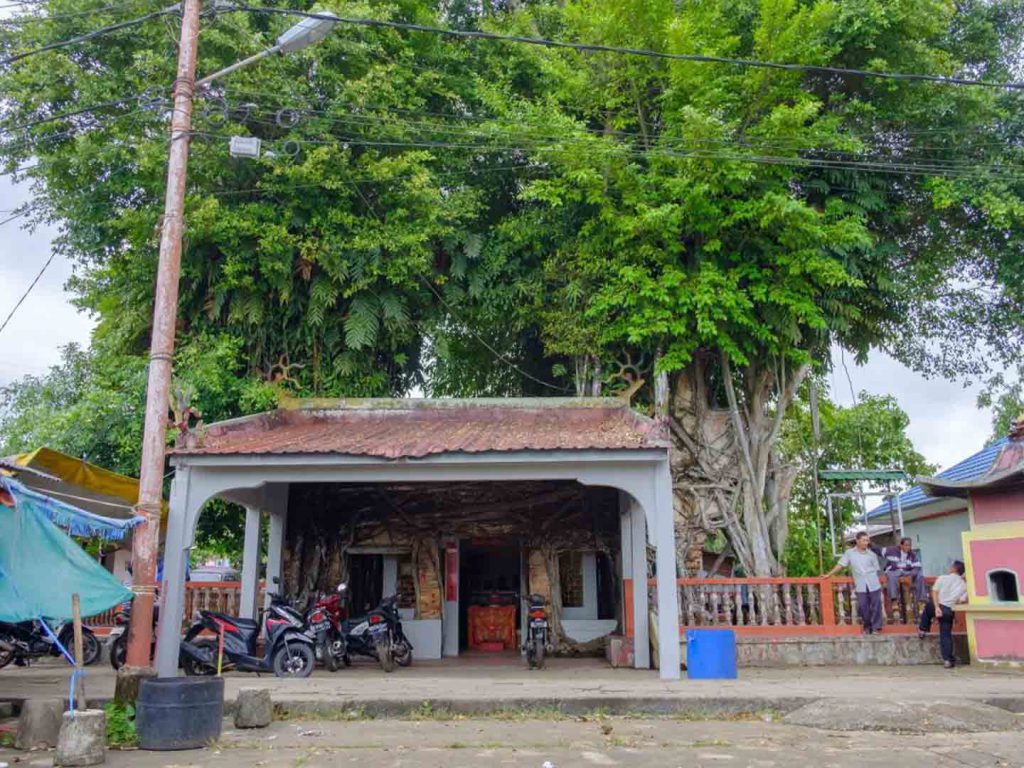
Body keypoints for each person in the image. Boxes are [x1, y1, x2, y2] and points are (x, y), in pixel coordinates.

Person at [824, 531, 884, 634]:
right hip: (860, 584)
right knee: (863, 606)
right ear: (857, 541)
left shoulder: (872, 554)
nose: (866, 542)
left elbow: (877, 570)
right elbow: (841, 564)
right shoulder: (850, 553)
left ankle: (876, 628)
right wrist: (829, 574)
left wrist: (880, 583)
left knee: (876, 606)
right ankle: (867, 627)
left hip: (873, 583)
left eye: (867, 540)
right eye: (864, 540)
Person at [918, 560, 968, 668]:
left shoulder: (942, 578)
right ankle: (947, 660)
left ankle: (922, 629)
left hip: (938, 605)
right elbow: (961, 600)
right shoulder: (964, 585)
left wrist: (936, 607)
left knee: (927, 609)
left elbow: (934, 592)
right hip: (948, 610)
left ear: (954, 569)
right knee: (945, 635)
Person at [883, 537, 926, 610]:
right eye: (906, 545)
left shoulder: (912, 554)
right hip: (895, 571)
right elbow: (890, 568)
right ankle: (894, 600)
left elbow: (917, 567)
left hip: (907, 572)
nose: (908, 547)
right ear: (901, 545)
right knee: (891, 575)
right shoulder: (894, 552)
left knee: (920, 575)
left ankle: (921, 601)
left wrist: (911, 575)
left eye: (909, 545)